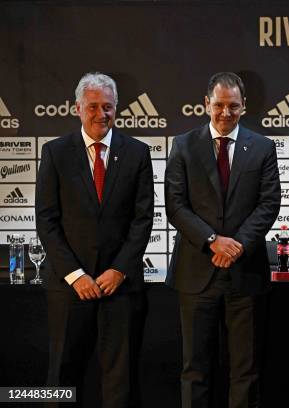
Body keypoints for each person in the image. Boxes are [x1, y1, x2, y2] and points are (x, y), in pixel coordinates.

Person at [36, 72, 154, 407]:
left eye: (108, 106)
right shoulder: (56, 153)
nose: (101, 114)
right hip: (68, 288)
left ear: (117, 108)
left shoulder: (137, 153)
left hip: (121, 287)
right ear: (77, 108)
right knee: (62, 376)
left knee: (122, 381)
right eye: (93, 107)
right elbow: (46, 220)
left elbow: (142, 219)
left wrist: (119, 270)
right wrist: (76, 275)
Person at [165, 72, 281, 408]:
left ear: (244, 106)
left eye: (233, 106)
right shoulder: (183, 145)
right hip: (196, 273)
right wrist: (213, 240)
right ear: (206, 104)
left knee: (246, 371)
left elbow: (269, 202)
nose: (225, 113)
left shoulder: (262, 147)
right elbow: (175, 205)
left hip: (246, 274)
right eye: (219, 105)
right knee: (195, 369)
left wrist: (238, 244)